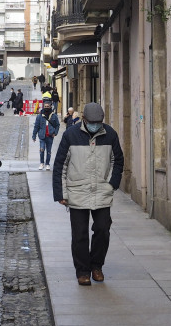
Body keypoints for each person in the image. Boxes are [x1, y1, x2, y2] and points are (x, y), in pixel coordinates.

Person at [52, 102, 124, 286]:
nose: (95, 125)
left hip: (102, 191)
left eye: (98, 122)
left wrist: (112, 184)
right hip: (77, 191)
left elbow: (118, 161)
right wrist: (61, 192)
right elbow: (60, 164)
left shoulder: (110, 134)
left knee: (102, 230)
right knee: (79, 235)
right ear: (84, 119)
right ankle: (83, 271)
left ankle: (96, 266)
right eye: (92, 122)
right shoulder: (71, 135)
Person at [31, 106, 60, 170]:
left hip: (50, 135)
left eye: (48, 106)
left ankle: (47, 164)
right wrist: (34, 136)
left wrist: (55, 133)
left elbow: (57, 125)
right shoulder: (39, 116)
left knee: (49, 151)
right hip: (42, 135)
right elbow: (36, 126)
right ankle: (41, 163)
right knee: (42, 149)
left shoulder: (53, 115)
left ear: (50, 107)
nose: (46, 107)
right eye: (45, 106)